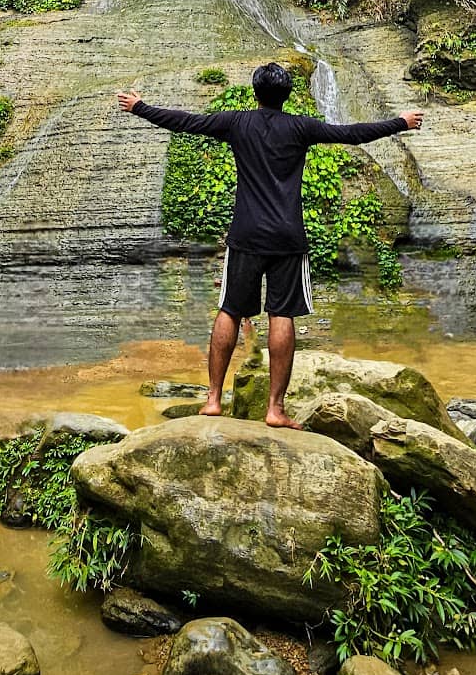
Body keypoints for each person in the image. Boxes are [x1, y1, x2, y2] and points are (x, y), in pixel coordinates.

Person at [117, 62, 423, 428]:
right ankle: (275, 409)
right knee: (282, 313)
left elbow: (185, 122)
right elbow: (351, 134)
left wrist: (140, 107)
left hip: (246, 235)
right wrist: (400, 122)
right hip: (288, 237)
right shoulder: (301, 126)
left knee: (230, 309)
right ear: (287, 95)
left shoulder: (236, 122)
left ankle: (213, 400)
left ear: (255, 93)